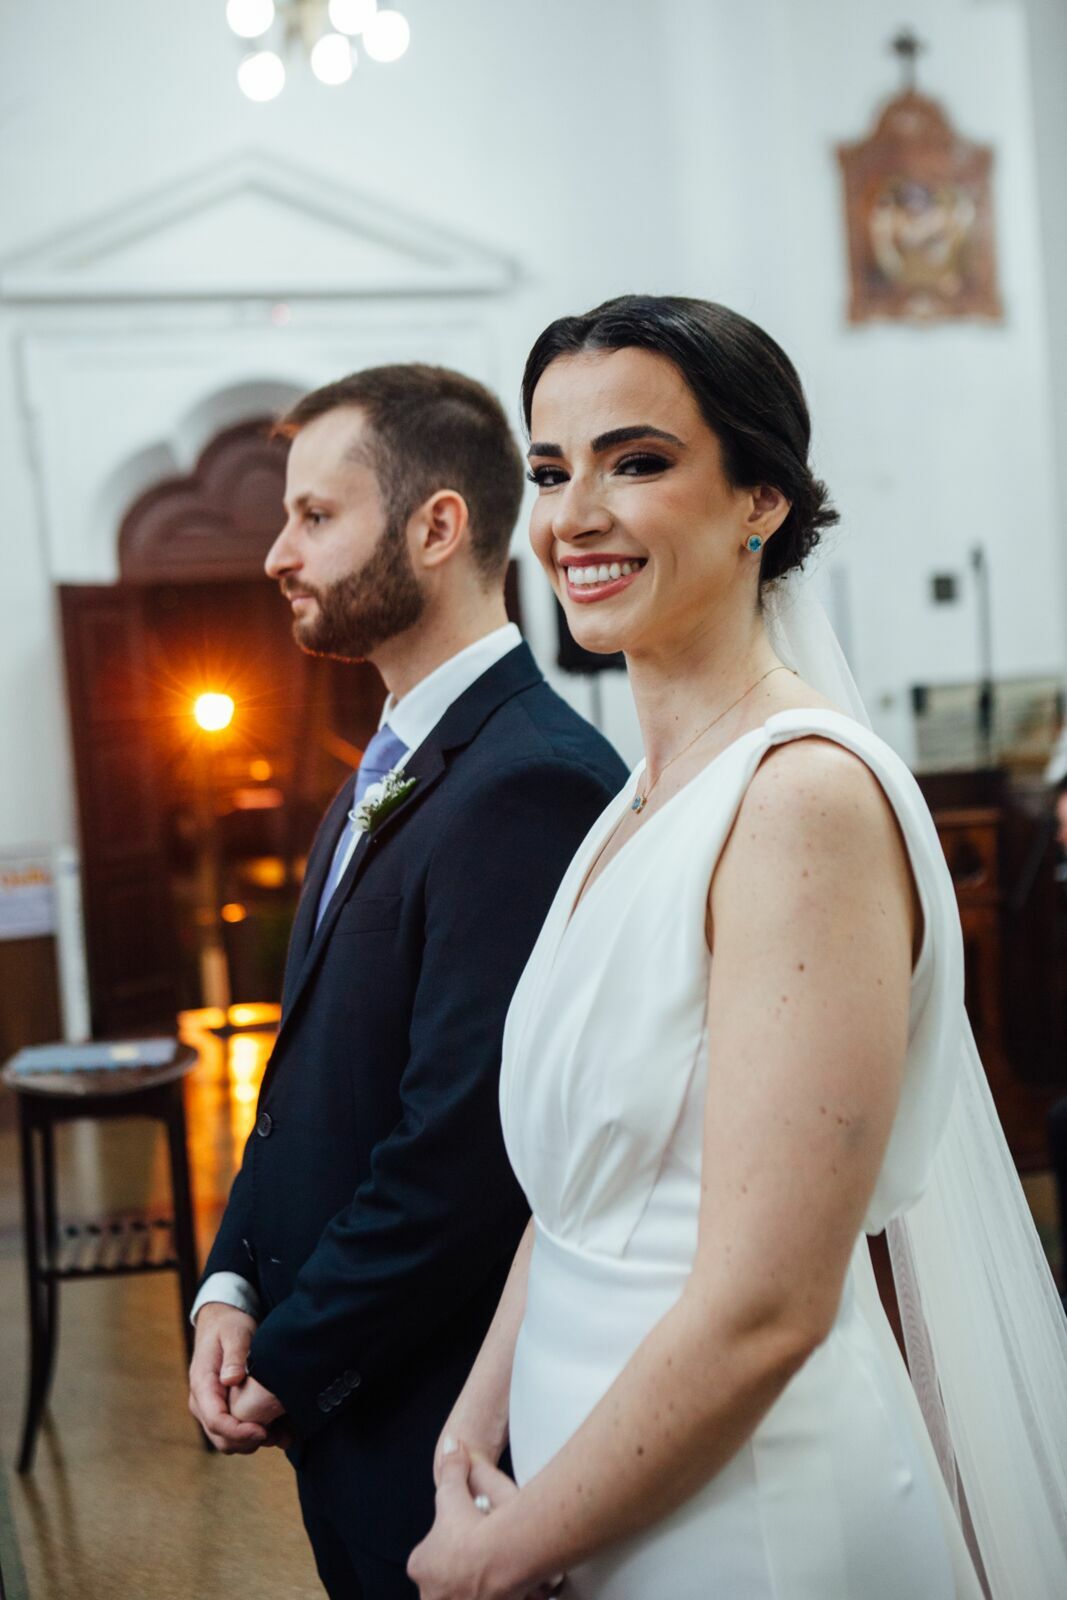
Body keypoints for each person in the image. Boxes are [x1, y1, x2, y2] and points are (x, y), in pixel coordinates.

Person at [408, 298, 1067, 1600]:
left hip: (751, 1514)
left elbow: (768, 1306)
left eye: (635, 462)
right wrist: (471, 1431)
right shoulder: (631, 805)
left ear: (759, 499)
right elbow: (582, 1193)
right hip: (584, 1474)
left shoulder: (797, 801)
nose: (573, 516)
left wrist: (506, 1553)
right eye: (550, 471)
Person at [186, 363, 628, 1600]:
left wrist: (291, 1356)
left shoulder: (529, 780)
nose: (277, 554)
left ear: (437, 527)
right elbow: (304, 1079)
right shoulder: (386, 759)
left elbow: (463, 1154)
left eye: (315, 516)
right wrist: (231, 1281)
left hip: (440, 1424)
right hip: (356, 1403)